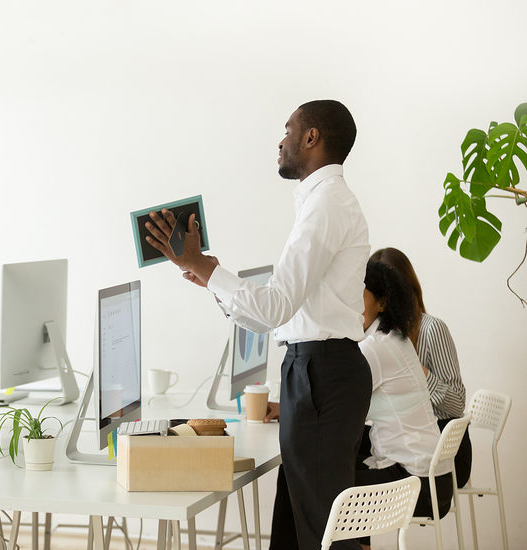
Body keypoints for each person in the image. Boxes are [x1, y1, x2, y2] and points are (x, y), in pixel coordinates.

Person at [145, 100, 371, 549]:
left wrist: (205, 268)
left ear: (312, 137)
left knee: (322, 535)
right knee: (298, 527)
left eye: (288, 130)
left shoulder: (326, 205)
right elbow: (273, 314)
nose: (281, 141)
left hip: (322, 374)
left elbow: (275, 308)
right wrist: (208, 275)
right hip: (318, 371)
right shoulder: (322, 202)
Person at [355, 260, 454, 547]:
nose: (350, 302)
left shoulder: (375, 348)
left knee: (330, 490)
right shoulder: (396, 339)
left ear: (382, 303)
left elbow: (339, 402)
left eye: (359, 295)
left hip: (417, 484)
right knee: (343, 472)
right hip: (434, 480)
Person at [369, 247, 471, 487]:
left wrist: (418, 373)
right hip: (407, 446)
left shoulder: (432, 329)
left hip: (445, 454)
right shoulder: (378, 339)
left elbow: (457, 404)